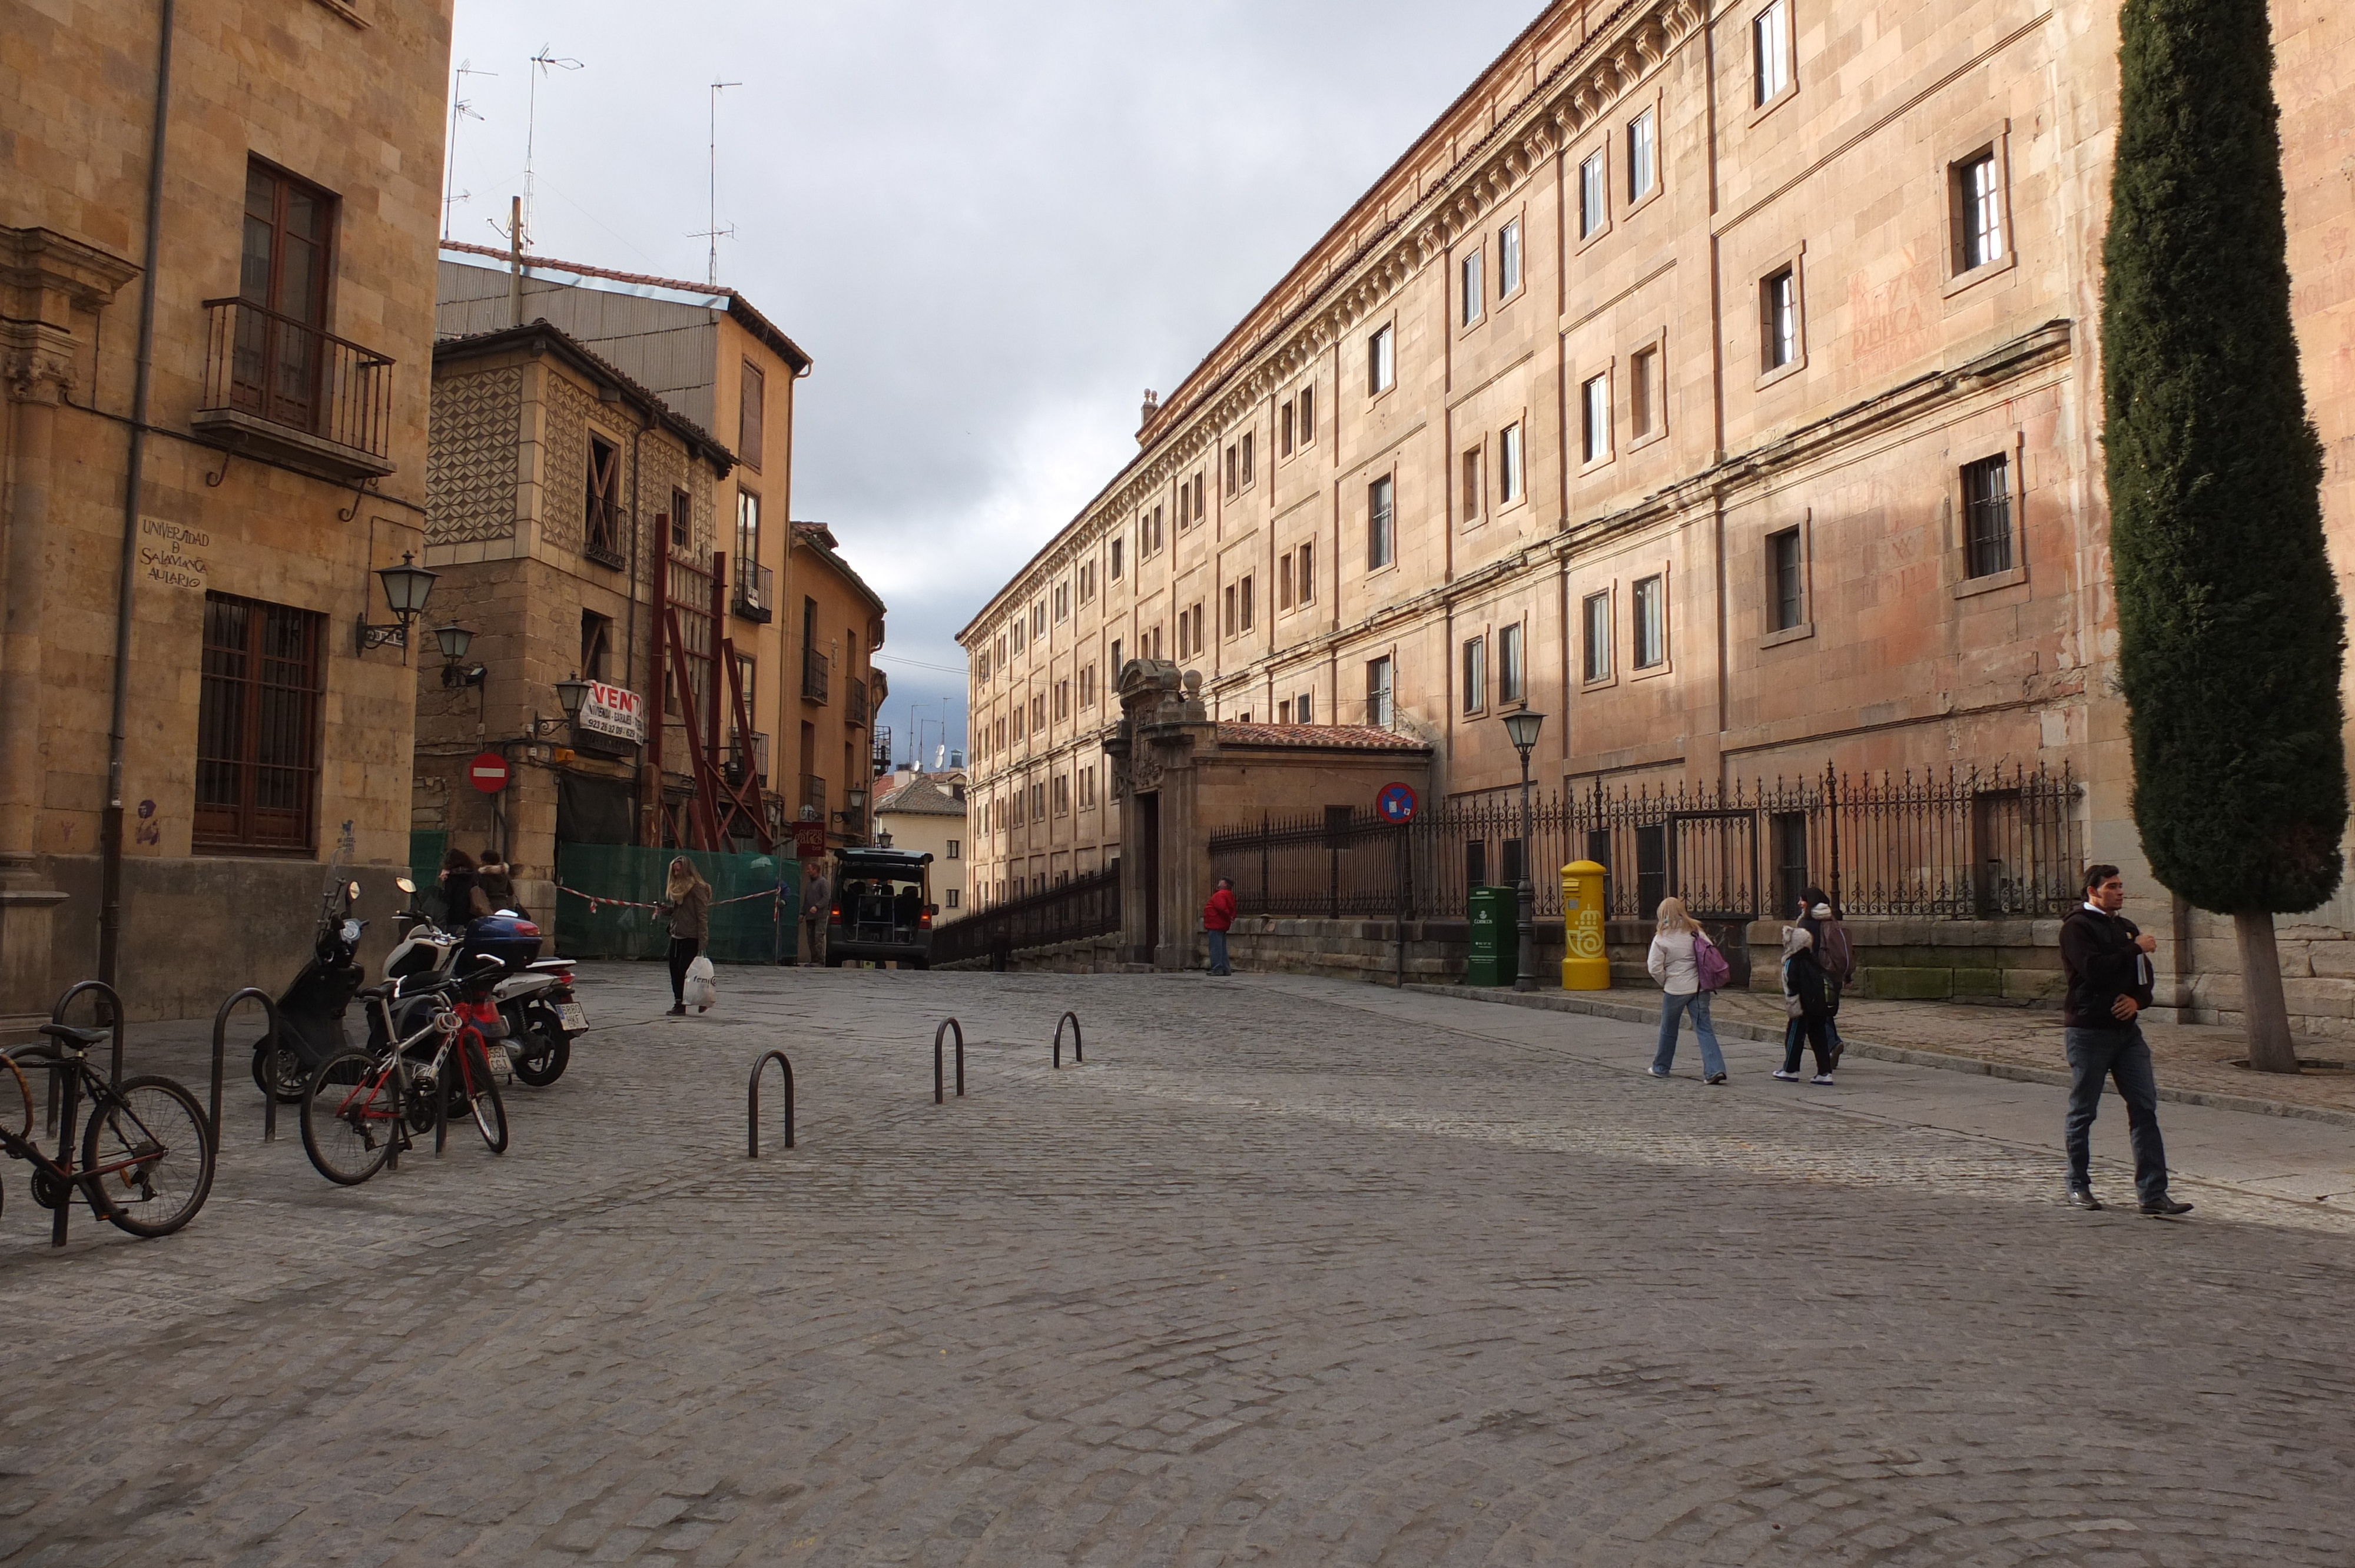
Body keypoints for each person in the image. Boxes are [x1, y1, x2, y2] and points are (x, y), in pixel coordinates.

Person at [2061, 864, 2191, 1215]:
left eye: (2121, 886)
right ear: (2093, 891)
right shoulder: (2076, 928)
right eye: (2112, 887)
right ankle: (2078, 1185)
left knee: (2145, 1107)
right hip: (2088, 1031)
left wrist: (2138, 1001)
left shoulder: (2126, 929)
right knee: (2084, 1111)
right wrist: (2135, 950)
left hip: (2127, 1033)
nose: (2120, 892)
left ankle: (2153, 1194)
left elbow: (2144, 979)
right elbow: (2094, 970)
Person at [1645, 896, 1727, 1083]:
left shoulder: (1661, 937)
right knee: (1704, 1028)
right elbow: (1710, 952)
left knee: (1668, 1029)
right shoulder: (1695, 931)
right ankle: (1715, 1070)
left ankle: (1661, 1067)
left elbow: (1654, 967)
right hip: (1700, 987)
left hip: (1675, 989)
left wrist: (1665, 981)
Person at [1781, 888, 1853, 1070]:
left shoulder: (1807, 922)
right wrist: (1847, 976)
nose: (1799, 903)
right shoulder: (1832, 919)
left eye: (1802, 900)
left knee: (1811, 1019)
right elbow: (1841, 950)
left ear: (1810, 902)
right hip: (1834, 974)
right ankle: (1827, 1057)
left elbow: (1800, 952)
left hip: (1815, 976)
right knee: (1825, 1013)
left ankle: (1796, 1064)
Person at [1773, 903, 1836, 1084]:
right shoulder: (1813, 961)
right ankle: (1825, 1072)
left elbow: (1792, 984)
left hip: (1801, 1005)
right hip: (1816, 1005)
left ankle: (1790, 1069)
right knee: (1819, 1038)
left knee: (1794, 1036)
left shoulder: (1793, 962)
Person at [657, 856, 712, 1015]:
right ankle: (679, 1003)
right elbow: (678, 911)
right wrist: (666, 910)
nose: (676, 873)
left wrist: (703, 940)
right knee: (674, 969)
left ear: (686, 870)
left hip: (691, 936)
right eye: (674, 870)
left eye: (679, 870)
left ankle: (701, 998)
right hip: (677, 934)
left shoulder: (697, 888)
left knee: (686, 970)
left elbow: (702, 915)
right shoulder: (678, 889)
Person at [1202, 877, 1237, 975]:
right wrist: (1230, 917)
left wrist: (1228, 916)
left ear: (1225, 884)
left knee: (1215, 948)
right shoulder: (1228, 894)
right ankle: (1226, 968)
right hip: (1221, 924)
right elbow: (1232, 909)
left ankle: (1217, 968)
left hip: (1215, 924)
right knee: (1221, 948)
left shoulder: (1220, 894)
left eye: (1221, 881)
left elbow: (1221, 908)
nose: (1219, 882)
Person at [437, 847, 477, 929]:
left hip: (455, 913)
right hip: (473, 911)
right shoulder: (474, 874)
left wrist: (443, 881)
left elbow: (447, 897)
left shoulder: (451, 877)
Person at [801, 864, 831, 967]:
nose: (808, 871)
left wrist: (817, 906)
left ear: (816, 870)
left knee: (818, 937)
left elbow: (826, 897)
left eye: (810, 869)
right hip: (810, 916)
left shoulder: (823, 882)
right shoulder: (809, 884)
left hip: (820, 916)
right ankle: (814, 959)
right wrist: (803, 913)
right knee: (811, 939)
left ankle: (820, 960)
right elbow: (806, 900)